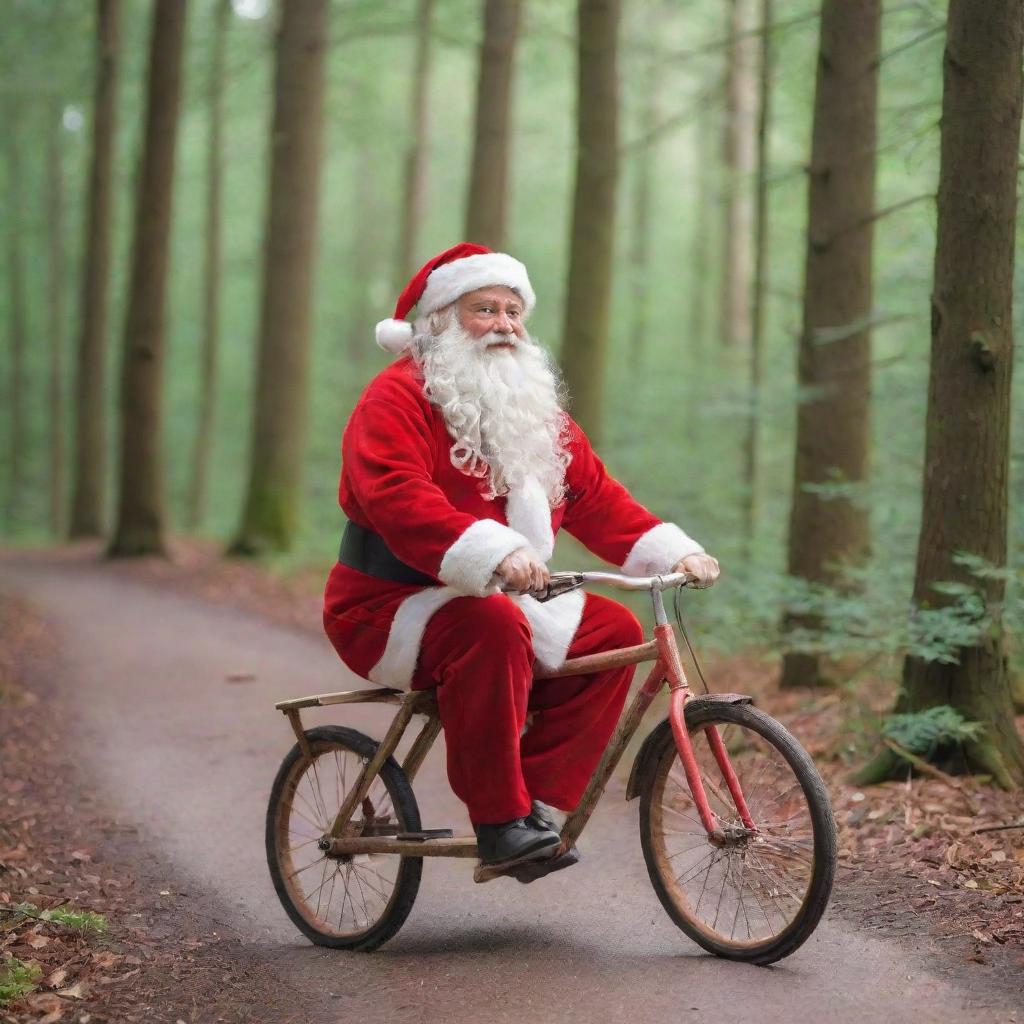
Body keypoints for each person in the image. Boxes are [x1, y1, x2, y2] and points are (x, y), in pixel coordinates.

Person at [323, 242, 720, 871]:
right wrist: (496, 551)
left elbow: (597, 500)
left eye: (514, 311)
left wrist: (676, 552)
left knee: (611, 630)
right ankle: (499, 820)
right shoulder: (394, 399)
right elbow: (397, 498)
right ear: (440, 322)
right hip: (387, 604)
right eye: (485, 309)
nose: (505, 325)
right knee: (493, 624)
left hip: (497, 598)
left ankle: (531, 800)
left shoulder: (536, 414)